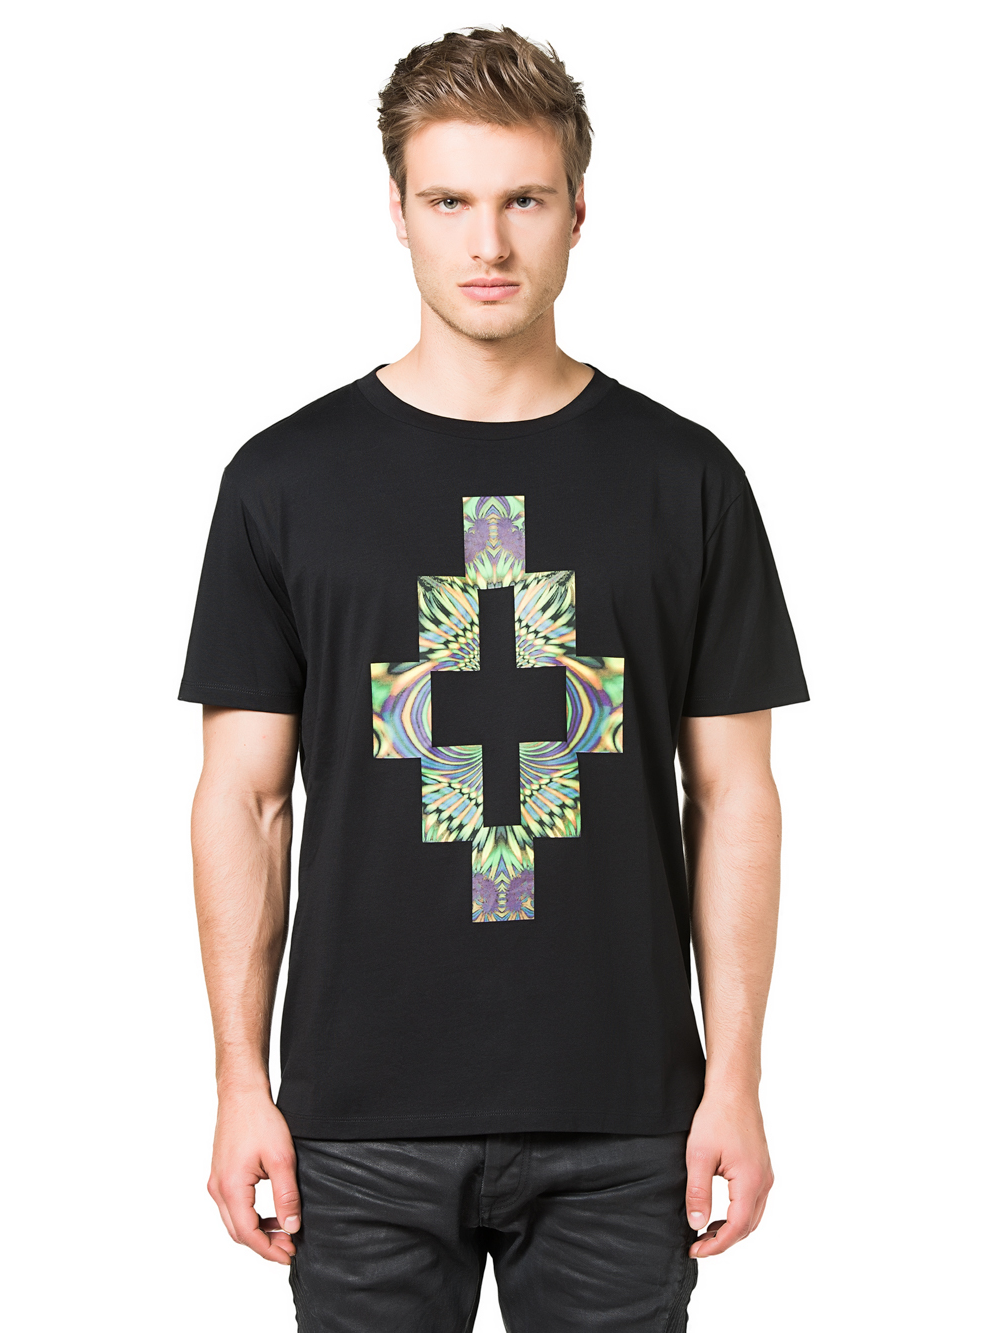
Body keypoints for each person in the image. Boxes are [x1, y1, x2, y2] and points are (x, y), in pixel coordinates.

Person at [180, 26, 808, 1331]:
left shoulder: (687, 479)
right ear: (396, 211)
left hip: (625, 1114)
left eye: (523, 199)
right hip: (355, 1120)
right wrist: (241, 1082)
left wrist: (735, 1079)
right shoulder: (282, 482)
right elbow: (245, 799)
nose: (488, 244)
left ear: (579, 209)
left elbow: (735, 795)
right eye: (449, 201)